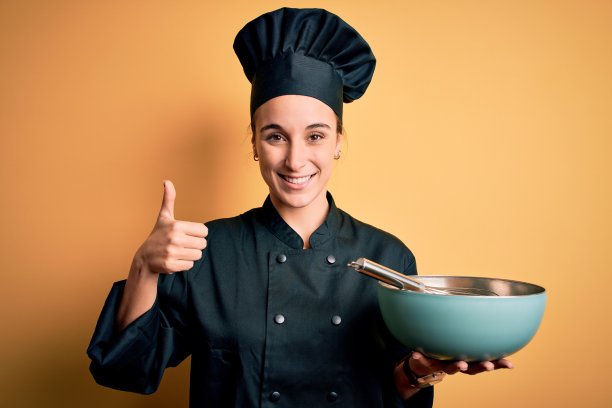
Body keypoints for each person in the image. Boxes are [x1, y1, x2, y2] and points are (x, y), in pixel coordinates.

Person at [87, 7, 512, 407]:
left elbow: (395, 390)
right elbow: (126, 372)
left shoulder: (388, 257)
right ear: (254, 142)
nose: (294, 160)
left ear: (339, 142)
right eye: (275, 136)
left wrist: (421, 372)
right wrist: (143, 266)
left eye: (315, 136)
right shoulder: (206, 252)